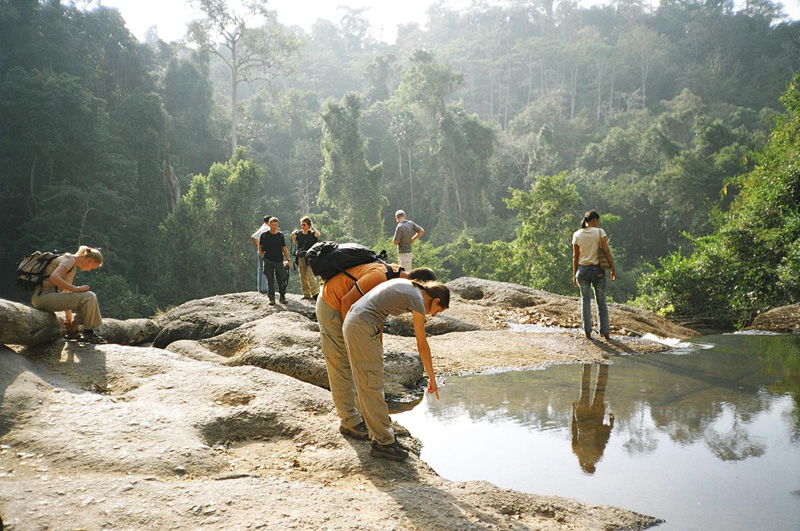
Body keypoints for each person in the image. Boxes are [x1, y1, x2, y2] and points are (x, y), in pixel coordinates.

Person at [317, 264, 437, 442]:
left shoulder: (398, 284)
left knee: (362, 368)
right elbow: (347, 301)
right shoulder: (381, 277)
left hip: (351, 313)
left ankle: (365, 417)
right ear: (419, 284)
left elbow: (376, 313)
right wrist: (351, 339)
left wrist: (375, 344)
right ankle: (350, 421)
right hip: (332, 305)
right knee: (342, 364)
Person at [342, 278, 449, 461]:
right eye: (437, 311)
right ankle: (384, 443)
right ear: (436, 300)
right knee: (371, 383)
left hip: (359, 323)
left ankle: (381, 435)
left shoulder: (412, 288)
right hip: (361, 325)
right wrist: (432, 377)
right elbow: (422, 344)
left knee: (369, 380)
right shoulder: (417, 300)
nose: (433, 315)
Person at [31, 245, 106, 344]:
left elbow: (66, 291)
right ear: (91, 260)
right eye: (92, 267)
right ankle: (89, 332)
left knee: (86, 297)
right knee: (89, 296)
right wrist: (76, 289)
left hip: (46, 297)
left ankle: (73, 330)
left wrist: (68, 315)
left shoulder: (72, 264)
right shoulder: (69, 260)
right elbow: (54, 277)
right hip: (44, 297)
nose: (90, 269)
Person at [572, 210, 616, 340]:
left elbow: (575, 256)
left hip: (582, 270)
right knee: (601, 301)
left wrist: (574, 274)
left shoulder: (577, 234)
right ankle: (605, 332)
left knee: (585, 301)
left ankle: (587, 332)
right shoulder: (599, 232)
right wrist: (613, 268)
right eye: (598, 221)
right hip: (598, 270)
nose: (598, 223)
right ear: (595, 220)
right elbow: (606, 251)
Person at [571, 363, 614, 474]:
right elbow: (574, 431)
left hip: (592, 418)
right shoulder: (579, 452)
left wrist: (611, 425)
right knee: (587, 390)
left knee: (599, 389)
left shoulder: (592, 454)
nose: (590, 462)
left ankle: (596, 363)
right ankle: (588, 364)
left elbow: (604, 438)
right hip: (586, 418)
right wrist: (573, 414)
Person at [259, 217, 291, 305]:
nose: (274, 227)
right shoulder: (264, 235)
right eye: (272, 225)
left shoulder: (280, 235)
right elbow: (260, 247)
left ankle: (282, 297)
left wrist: (288, 259)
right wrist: (263, 257)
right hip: (268, 259)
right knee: (270, 279)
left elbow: (284, 248)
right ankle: (271, 298)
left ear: (278, 225)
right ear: (269, 224)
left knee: (282, 278)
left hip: (279, 260)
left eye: (276, 225)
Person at [291, 216, 321, 301]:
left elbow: (318, 234)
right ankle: (306, 294)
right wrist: (294, 237)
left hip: (310, 256)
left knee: (311, 275)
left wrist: (313, 227)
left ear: (308, 225)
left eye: (304, 224)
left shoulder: (312, 234)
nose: (302, 226)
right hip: (301, 256)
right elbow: (296, 242)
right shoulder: (299, 234)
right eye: (301, 224)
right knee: (302, 275)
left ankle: (315, 293)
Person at [250, 215, 271, 293]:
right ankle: (264, 288)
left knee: (260, 269)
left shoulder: (262, 228)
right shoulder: (267, 229)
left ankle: (260, 287)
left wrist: (258, 245)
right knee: (266, 268)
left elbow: (253, 237)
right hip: (265, 251)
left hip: (260, 250)